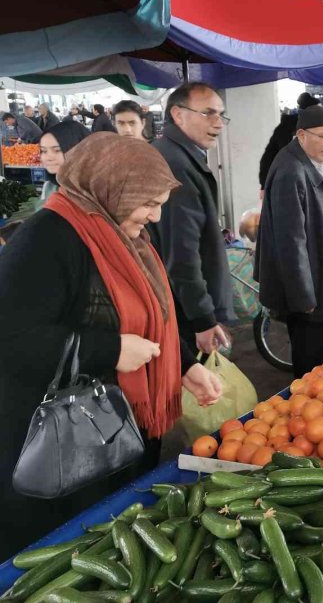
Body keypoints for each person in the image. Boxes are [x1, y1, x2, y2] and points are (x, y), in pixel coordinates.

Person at [0, 132, 222, 561]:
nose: (156, 217)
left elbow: (152, 315)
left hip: (116, 430)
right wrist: (110, 351)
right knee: (67, 554)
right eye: (148, 204)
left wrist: (184, 365)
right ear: (109, 188)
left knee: (116, 545)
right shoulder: (47, 238)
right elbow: (12, 336)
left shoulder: (124, 234)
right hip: (61, 448)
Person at [255, 105, 323, 377]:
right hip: (309, 294)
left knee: (319, 354)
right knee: (314, 363)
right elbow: (290, 243)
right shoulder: (291, 171)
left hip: (318, 278)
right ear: (302, 135)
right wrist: (304, 297)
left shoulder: (307, 161)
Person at [148, 82, 234, 355]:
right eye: (208, 113)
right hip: (182, 310)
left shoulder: (178, 154)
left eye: (221, 114)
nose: (218, 123)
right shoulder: (175, 164)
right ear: (177, 114)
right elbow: (182, 253)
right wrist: (203, 318)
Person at [258, 92, 320, 192]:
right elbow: (268, 158)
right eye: (317, 111)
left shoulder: (311, 128)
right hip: (287, 184)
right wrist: (264, 186)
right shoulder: (287, 130)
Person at [38, 120, 90, 204]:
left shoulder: (98, 191)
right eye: (44, 151)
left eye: (57, 150)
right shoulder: (49, 188)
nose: (48, 158)